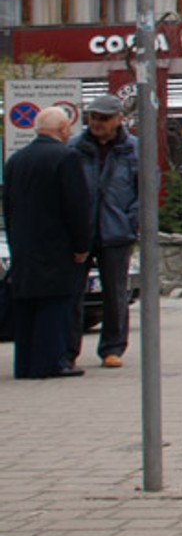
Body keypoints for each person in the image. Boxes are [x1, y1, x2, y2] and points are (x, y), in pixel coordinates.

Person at [4, 107, 93, 379]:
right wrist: (82, 245)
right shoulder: (67, 158)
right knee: (56, 305)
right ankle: (52, 362)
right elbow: (76, 206)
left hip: (24, 246)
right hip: (57, 246)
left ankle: (25, 364)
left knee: (27, 307)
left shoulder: (16, 160)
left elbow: (8, 205)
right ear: (64, 130)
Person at [69, 94, 139, 370]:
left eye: (103, 118)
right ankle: (68, 350)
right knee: (73, 294)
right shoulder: (74, 148)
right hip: (81, 230)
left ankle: (112, 348)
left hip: (116, 231)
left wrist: (131, 221)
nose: (97, 123)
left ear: (119, 120)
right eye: (93, 117)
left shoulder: (133, 149)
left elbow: (146, 188)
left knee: (115, 293)